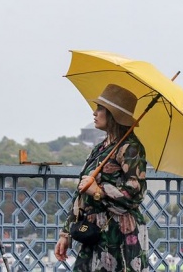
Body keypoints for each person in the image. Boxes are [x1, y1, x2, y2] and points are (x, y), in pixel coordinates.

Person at [55, 84, 149, 271]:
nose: (94, 113)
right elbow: (81, 191)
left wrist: (99, 191)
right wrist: (66, 233)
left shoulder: (130, 148)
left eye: (100, 109)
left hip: (119, 233)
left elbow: (135, 193)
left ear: (114, 115)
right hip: (93, 231)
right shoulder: (100, 148)